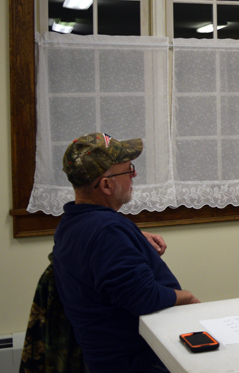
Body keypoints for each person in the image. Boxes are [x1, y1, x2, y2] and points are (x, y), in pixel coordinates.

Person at [53, 133, 200, 373]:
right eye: (129, 170)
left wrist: (134, 240)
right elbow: (143, 297)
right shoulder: (108, 232)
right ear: (106, 185)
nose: (134, 175)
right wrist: (188, 297)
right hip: (138, 363)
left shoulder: (71, 223)